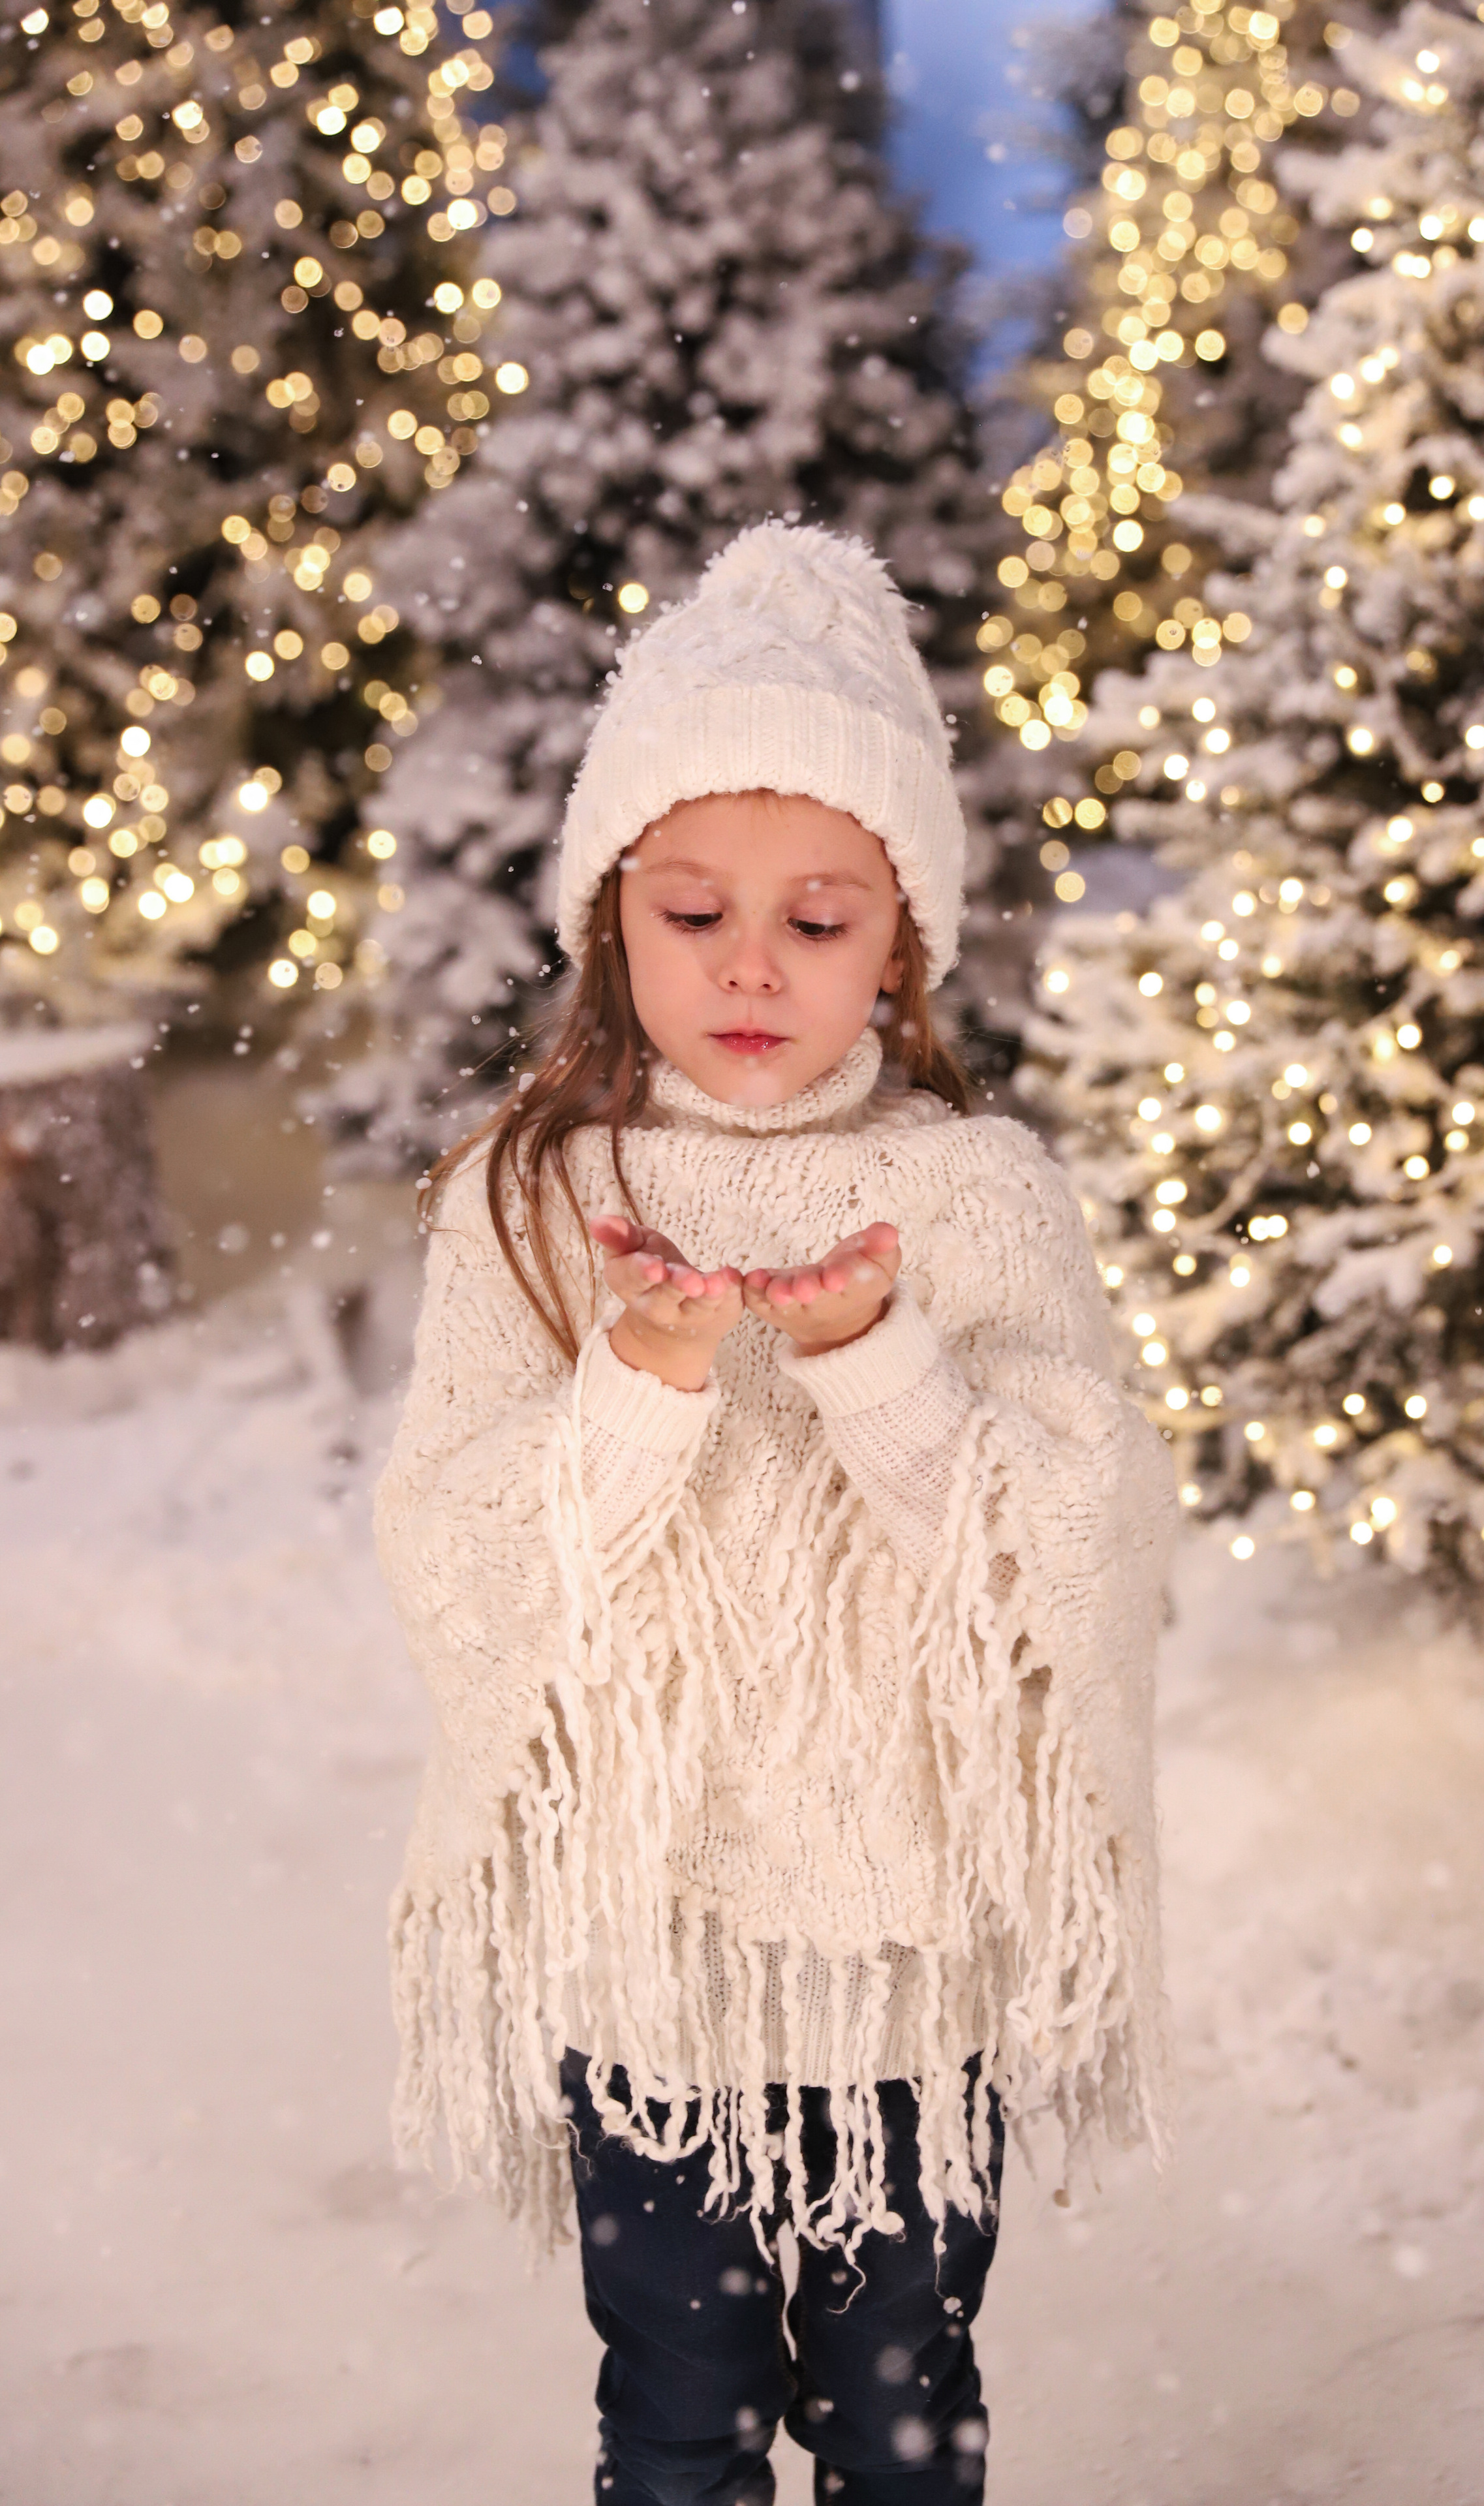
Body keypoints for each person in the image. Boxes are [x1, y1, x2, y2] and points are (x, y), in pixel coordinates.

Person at [373, 522, 1178, 2506]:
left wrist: (875, 1359)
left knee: (903, 2411)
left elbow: (1066, 1547)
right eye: (695, 910)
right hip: (653, 1954)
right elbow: (465, 1548)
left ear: (900, 941)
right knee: (678, 2415)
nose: (751, 965)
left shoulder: (977, 1195)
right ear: (612, 920)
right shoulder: (529, 1199)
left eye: (818, 921)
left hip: (908, 1948)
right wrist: (642, 1380)